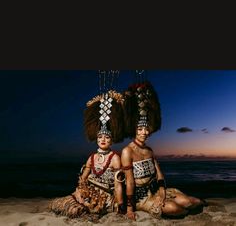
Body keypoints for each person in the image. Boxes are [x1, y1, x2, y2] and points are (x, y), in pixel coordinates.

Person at [121, 80, 205, 220]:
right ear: (134, 130)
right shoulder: (127, 151)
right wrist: (129, 208)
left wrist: (162, 192)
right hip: (141, 198)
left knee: (191, 202)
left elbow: (159, 175)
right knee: (176, 209)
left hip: (156, 190)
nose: (144, 132)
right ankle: (177, 210)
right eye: (140, 129)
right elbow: (129, 182)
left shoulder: (149, 151)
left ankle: (202, 203)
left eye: (146, 129)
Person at [49, 89, 126, 218]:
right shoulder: (92, 157)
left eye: (106, 137)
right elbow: (83, 179)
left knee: (79, 211)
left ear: (111, 141)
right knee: (61, 204)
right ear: (96, 139)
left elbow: (118, 185)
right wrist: (78, 192)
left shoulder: (115, 158)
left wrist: (121, 204)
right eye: (100, 137)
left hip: (104, 196)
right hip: (88, 191)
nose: (103, 140)